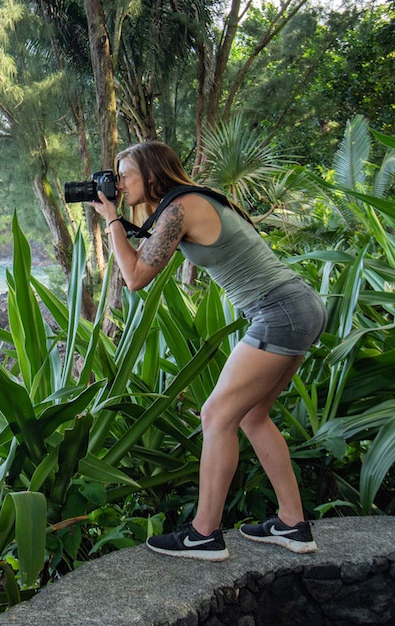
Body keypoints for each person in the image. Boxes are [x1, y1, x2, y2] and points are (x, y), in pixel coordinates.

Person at [88, 141, 325, 562]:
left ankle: (204, 534)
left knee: (216, 415)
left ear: (152, 173)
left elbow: (135, 277)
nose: (119, 183)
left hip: (278, 310)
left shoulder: (183, 207)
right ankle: (293, 524)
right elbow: (139, 259)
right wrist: (119, 219)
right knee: (252, 416)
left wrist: (110, 221)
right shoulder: (178, 207)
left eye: (125, 174)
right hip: (294, 306)